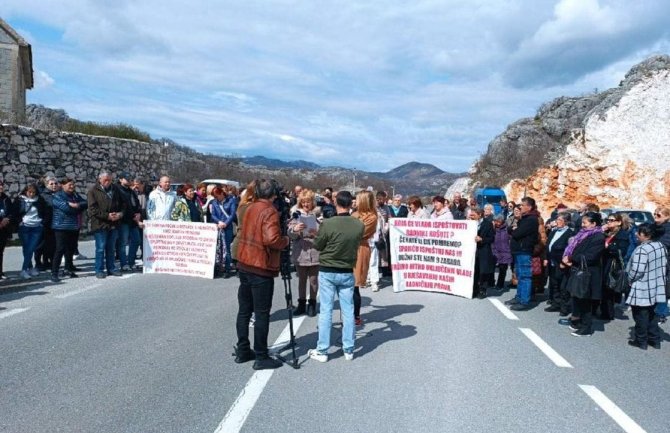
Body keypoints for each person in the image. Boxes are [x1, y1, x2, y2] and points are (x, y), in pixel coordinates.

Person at [233, 179, 289, 370]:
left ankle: (242, 350)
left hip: (245, 263)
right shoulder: (269, 210)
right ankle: (261, 355)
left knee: (244, 310)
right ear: (274, 194)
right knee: (261, 313)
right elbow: (272, 239)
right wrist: (286, 240)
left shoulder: (248, 207)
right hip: (260, 266)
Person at [309, 191, 364, 363]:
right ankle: (349, 349)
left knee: (326, 310)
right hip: (346, 269)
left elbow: (318, 245)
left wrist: (314, 235)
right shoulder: (358, 225)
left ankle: (323, 350)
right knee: (347, 310)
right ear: (350, 204)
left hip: (328, 269)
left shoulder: (329, 223)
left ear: (336, 203)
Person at [560, 212, 605, 336]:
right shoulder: (583, 234)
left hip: (589, 274)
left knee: (586, 301)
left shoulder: (598, 237)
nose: (582, 225)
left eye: (585, 223)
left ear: (593, 224)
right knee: (579, 299)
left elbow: (590, 256)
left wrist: (571, 257)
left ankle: (586, 328)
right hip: (579, 270)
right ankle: (578, 322)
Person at [626, 223, 667, 349]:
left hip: (642, 286)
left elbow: (637, 270)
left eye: (639, 232)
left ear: (646, 235)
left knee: (640, 315)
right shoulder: (660, 245)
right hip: (657, 285)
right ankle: (654, 340)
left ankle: (641, 340)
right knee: (652, 314)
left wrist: (629, 279)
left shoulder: (642, 249)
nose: (636, 234)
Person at [288, 188, 321, 317]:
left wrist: (317, 233)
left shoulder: (318, 215)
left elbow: (324, 234)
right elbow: (290, 233)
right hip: (300, 250)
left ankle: (312, 303)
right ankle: (301, 303)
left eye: (308, 202)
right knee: (301, 279)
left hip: (314, 250)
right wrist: (295, 229)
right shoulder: (296, 215)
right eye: (303, 202)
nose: (306, 205)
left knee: (313, 280)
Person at [88, 171, 125, 279]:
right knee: (100, 248)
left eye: (109, 180)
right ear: (100, 180)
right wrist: (107, 216)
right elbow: (92, 209)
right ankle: (99, 270)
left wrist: (120, 214)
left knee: (111, 248)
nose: (108, 182)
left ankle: (111, 268)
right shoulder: (93, 191)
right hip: (100, 224)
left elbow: (123, 204)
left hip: (113, 224)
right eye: (105, 180)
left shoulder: (115, 189)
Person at [505, 197, 539, 311]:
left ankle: (524, 301)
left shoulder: (531, 219)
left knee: (525, 276)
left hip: (524, 250)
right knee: (520, 275)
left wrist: (514, 230)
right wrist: (514, 229)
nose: (521, 207)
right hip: (519, 250)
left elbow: (517, 233)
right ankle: (519, 297)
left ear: (529, 207)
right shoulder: (524, 218)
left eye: (523, 205)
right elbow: (510, 229)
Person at [50, 178, 88, 282]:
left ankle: (68, 268)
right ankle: (54, 272)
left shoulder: (75, 195)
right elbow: (67, 209)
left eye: (73, 185)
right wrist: (72, 206)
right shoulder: (57, 196)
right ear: (62, 185)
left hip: (74, 226)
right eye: (69, 185)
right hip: (61, 226)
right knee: (60, 249)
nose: (72, 187)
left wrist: (77, 205)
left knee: (71, 249)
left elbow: (86, 203)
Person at [599, 212, 632, 320]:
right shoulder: (607, 232)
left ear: (619, 222)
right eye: (608, 220)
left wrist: (608, 246)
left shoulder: (622, 235)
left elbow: (621, 251)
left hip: (612, 265)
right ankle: (603, 310)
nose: (608, 222)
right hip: (603, 262)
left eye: (611, 220)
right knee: (603, 288)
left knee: (609, 288)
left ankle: (608, 313)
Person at [352, 190, 378, 325]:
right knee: (347, 283)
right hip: (348, 248)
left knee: (355, 284)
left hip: (360, 249)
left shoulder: (372, 217)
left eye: (357, 199)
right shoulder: (354, 214)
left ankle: (355, 316)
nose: (355, 201)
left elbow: (359, 233)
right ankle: (348, 312)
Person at [543, 212, 574, 314]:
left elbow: (569, 250)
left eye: (560, 220)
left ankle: (564, 306)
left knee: (563, 286)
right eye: (557, 220)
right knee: (554, 283)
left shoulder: (570, 233)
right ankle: (555, 303)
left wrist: (563, 262)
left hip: (561, 263)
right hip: (552, 262)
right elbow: (548, 245)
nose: (557, 222)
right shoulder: (554, 231)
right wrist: (546, 258)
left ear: (566, 222)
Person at [16, 184, 46, 279]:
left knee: (31, 248)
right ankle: (25, 269)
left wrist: (42, 222)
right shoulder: (20, 200)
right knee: (27, 249)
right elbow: (15, 212)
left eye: (33, 192)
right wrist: (19, 222)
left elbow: (46, 211)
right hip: (24, 227)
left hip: (37, 227)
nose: (32, 194)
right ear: (25, 192)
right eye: (30, 192)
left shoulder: (40, 200)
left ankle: (28, 268)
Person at [116, 172, 142, 271]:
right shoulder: (117, 190)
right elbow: (121, 206)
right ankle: (124, 264)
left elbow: (137, 203)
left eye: (129, 179)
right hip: (124, 220)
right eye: (126, 179)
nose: (129, 180)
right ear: (121, 180)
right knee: (123, 243)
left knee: (136, 240)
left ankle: (131, 262)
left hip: (133, 220)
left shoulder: (131, 191)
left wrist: (138, 213)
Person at [35, 176, 59, 271]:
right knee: (41, 244)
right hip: (45, 223)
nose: (54, 185)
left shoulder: (59, 194)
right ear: (46, 185)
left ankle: (49, 261)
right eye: (51, 184)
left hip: (55, 223)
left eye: (55, 183)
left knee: (53, 244)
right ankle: (38, 263)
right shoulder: (43, 196)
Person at [470, 208, 495, 299]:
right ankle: (474, 289)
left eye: (473, 215)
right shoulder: (469, 223)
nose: (471, 216)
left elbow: (492, 238)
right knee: (474, 270)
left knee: (483, 271)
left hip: (483, 250)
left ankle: (482, 290)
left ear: (479, 214)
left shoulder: (487, 224)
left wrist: (482, 239)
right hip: (473, 251)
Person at [652, 207, 670, 323]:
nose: (655, 218)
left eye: (658, 215)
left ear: (667, 216)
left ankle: (660, 313)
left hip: (665, 263)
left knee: (662, 289)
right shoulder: (654, 227)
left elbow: (664, 244)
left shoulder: (667, 229)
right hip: (654, 262)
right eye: (655, 215)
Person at [491, 214, 512, 291]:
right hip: (494, 251)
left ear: (501, 221)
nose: (496, 223)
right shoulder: (492, 229)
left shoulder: (507, 229)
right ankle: (491, 282)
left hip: (505, 252)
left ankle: (500, 285)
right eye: (495, 221)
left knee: (502, 269)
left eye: (497, 221)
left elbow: (512, 239)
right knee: (491, 268)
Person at [0, 179, 15, 280]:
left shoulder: (6, 199)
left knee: (1, 251)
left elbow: (11, 212)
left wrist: (7, 219)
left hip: (3, 229)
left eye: (1, 185)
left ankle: (0, 272)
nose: (1, 187)